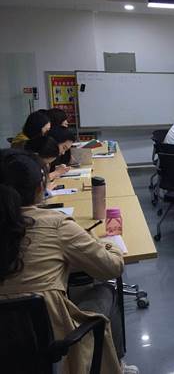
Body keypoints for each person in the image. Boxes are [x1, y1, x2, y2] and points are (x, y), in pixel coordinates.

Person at [0, 150, 138, 374]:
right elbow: (112, 267)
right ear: (40, 188)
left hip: (7, 349)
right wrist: (105, 243)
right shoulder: (54, 224)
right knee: (105, 289)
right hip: (52, 342)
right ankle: (117, 366)